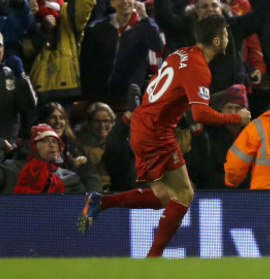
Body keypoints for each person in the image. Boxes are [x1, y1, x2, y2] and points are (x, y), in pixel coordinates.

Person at [78, 14, 252, 258]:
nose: (227, 39)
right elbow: (200, 113)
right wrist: (237, 118)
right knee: (184, 194)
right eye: (224, 35)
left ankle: (101, 202)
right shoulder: (200, 69)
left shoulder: (180, 54)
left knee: (164, 195)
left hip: (143, 123)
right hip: (155, 132)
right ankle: (154, 258)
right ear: (215, 41)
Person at [0, 123, 87, 193]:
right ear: (33, 146)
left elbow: (83, 207)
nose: (52, 145)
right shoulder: (12, 168)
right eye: (45, 140)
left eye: (55, 141)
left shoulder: (70, 178)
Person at [0, 28, 37, 144]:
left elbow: (30, 104)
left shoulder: (12, 74)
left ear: (3, 49)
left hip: (5, 146)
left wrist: (21, 76)